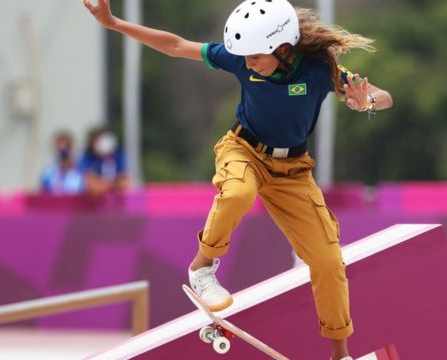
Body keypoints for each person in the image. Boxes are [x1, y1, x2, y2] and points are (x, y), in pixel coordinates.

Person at [84, 1, 392, 358]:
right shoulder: (241, 58)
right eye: (243, 56)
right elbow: (175, 45)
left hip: (292, 173)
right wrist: (114, 22)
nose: (247, 63)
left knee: (328, 262)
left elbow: (381, 96)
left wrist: (364, 104)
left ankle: (340, 353)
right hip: (243, 150)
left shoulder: (321, 70)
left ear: (282, 47)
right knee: (237, 194)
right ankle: (201, 268)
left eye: (255, 56)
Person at [78, 127, 129, 196]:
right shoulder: (86, 157)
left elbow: (124, 183)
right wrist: (113, 185)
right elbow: (92, 186)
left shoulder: (117, 156)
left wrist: (105, 185)